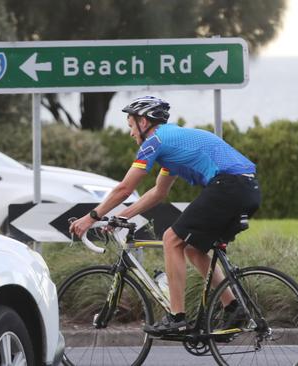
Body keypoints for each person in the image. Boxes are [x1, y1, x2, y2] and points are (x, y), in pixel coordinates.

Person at [69, 96, 261, 336]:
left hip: (229, 185)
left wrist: (91, 218)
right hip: (247, 189)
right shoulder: (172, 144)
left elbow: (124, 188)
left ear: (143, 121)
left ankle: (177, 317)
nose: (130, 134)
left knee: (171, 239)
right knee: (192, 248)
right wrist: (123, 216)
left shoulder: (155, 141)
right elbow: (159, 192)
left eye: (130, 126)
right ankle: (233, 308)